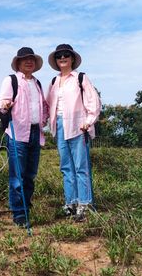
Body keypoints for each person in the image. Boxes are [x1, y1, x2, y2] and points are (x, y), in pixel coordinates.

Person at [46, 44, 101, 221]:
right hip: (60, 126)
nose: (62, 58)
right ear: (56, 60)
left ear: (72, 58)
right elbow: (48, 106)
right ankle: (70, 202)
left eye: (66, 55)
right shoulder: (54, 82)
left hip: (78, 125)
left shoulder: (80, 78)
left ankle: (84, 204)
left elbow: (93, 102)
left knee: (80, 166)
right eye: (59, 56)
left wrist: (88, 121)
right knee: (66, 167)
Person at [0, 47, 49, 227]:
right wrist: (4, 105)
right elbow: (1, 103)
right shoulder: (11, 80)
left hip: (35, 132)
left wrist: (44, 120)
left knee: (30, 174)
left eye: (31, 59)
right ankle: (19, 213)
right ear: (18, 63)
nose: (29, 61)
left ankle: (27, 207)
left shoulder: (37, 83)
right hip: (18, 132)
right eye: (24, 59)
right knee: (17, 176)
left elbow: (43, 106)